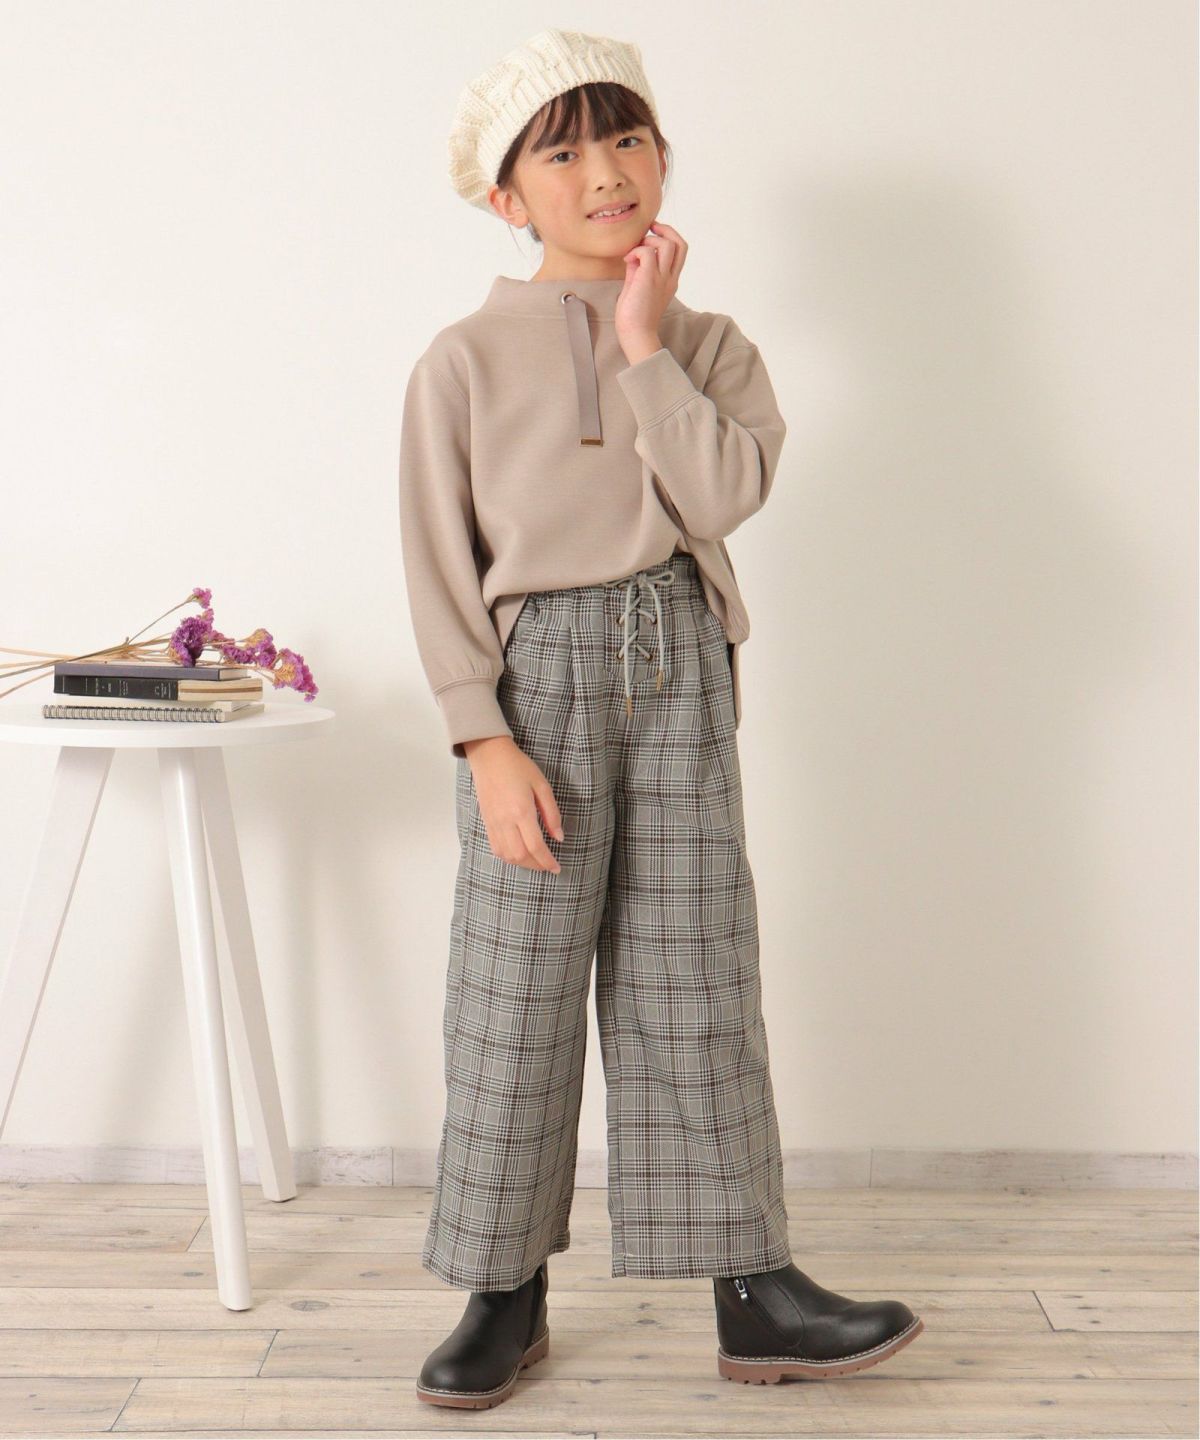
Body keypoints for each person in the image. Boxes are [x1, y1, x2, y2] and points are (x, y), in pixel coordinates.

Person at [398, 27, 923, 1411]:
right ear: (506, 195)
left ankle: (754, 1289)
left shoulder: (707, 345)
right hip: (536, 688)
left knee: (695, 979)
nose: (605, 172)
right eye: (564, 150)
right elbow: (438, 564)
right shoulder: (461, 361)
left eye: (626, 138)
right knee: (514, 989)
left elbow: (724, 496)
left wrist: (642, 348)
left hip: (675, 659)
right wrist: (483, 739)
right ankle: (502, 1290)